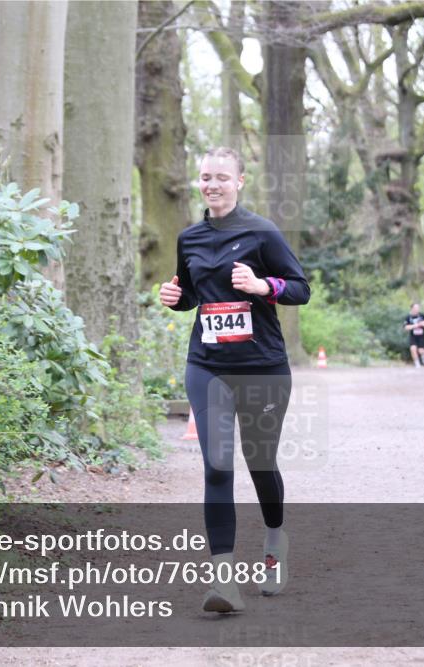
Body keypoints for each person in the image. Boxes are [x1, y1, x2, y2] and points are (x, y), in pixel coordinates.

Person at [158, 146, 310, 613]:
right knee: (217, 466)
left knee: (260, 463)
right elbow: (192, 294)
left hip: (262, 367)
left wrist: (265, 286)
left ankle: (275, 541)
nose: (212, 185)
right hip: (208, 366)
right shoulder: (190, 238)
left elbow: (300, 288)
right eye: (205, 177)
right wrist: (175, 296)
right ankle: (224, 582)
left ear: (240, 181)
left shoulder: (262, 233)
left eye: (222, 177)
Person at [403, 303, 424, 367]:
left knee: (421, 350)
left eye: (418, 308)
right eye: (415, 308)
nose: (417, 309)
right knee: (413, 349)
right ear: (412, 309)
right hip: (413, 336)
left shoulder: (422, 315)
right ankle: (417, 363)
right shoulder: (408, 317)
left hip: (421, 336)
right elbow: (405, 327)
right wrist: (414, 326)